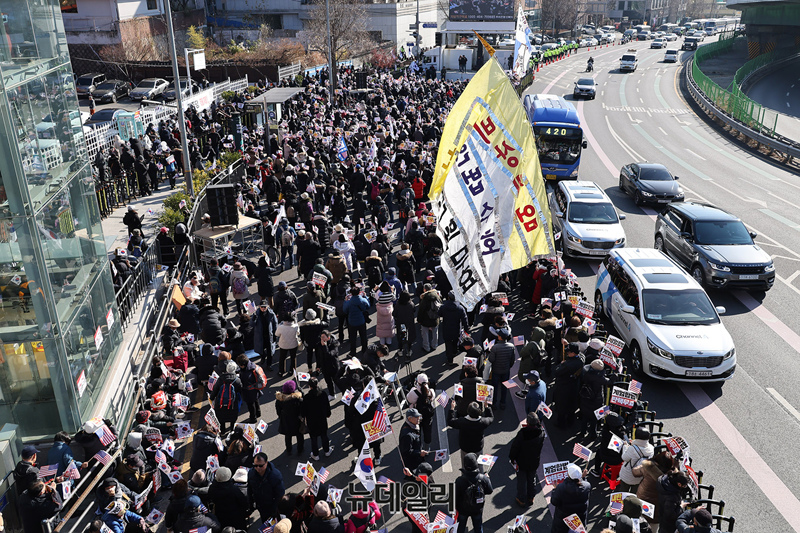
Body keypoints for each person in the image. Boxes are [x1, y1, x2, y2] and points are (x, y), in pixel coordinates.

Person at [509, 412, 545, 507]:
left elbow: (515, 447)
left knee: (521, 480)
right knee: (532, 479)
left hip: (522, 461)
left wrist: (512, 457)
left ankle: (521, 498)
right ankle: (531, 496)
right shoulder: (541, 433)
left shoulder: (522, 433)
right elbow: (540, 428)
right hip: (534, 461)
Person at [454, 453, 493, 533]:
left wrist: (456, 508)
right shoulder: (483, 478)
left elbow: (455, 497)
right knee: (478, 528)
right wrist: (487, 479)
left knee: (460, 528)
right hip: (477, 509)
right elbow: (490, 490)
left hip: (462, 510)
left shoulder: (459, 480)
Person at [579, 359, 615, 441]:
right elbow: (609, 382)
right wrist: (613, 378)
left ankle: (582, 432)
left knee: (584, 417)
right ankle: (593, 434)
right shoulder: (600, 378)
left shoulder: (586, 373)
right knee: (594, 419)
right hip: (596, 401)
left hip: (585, 399)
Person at [551, 464, 591, 533]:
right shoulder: (587, 486)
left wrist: (555, 489)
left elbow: (554, 502)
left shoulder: (561, 487)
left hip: (563, 520)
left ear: (569, 475)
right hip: (578, 520)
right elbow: (581, 485)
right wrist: (583, 478)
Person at [302, 377, 334, 460]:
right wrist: (328, 414)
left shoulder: (307, 397)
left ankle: (315, 454)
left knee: (313, 438)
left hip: (311, 421)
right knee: (324, 435)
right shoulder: (323, 394)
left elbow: (304, 411)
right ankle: (327, 451)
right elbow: (327, 406)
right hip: (322, 419)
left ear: (310, 386)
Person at [553, 342, 584, 427]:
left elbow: (557, 372)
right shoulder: (581, 359)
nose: (567, 353)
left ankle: (561, 424)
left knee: (562, 406)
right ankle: (571, 422)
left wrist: (561, 364)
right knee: (572, 406)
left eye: (569, 352)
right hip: (575, 385)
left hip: (564, 386)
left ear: (573, 353)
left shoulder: (567, 365)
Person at [248, 452, 285, 523]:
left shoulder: (275, 475)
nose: (258, 468)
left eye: (261, 465)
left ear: (266, 463)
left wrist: (275, 509)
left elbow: (280, 494)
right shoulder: (251, 473)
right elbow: (250, 489)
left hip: (272, 506)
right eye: (255, 465)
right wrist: (251, 503)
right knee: (264, 522)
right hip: (260, 505)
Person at [209, 360, 243, 434]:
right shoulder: (237, 380)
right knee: (233, 417)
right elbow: (240, 391)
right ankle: (232, 430)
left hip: (220, 403)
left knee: (221, 418)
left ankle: (223, 431)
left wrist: (211, 398)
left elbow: (215, 390)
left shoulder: (220, 379)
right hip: (233, 404)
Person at [618, 428, 654, 493]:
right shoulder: (651, 448)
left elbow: (624, 458)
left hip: (627, 475)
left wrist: (625, 446)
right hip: (640, 476)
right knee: (634, 493)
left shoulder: (632, 449)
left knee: (623, 491)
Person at [487, 328, 515, 409]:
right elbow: (512, 360)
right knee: (504, 387)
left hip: (496, 370)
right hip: (506, 370)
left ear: (499, 337)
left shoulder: (495, 347)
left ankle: (494, 403)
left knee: (494, 387)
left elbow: (491, 360)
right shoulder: (511, 346)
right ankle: (503, 403)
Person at [439, 291, 468, 364]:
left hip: (446, 327)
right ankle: (454, 352)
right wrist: (466, 329)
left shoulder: (443, 306)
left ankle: (449, 359)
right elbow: (464, 318)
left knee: (448, 343)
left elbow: (439, 314)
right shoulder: (460, 307)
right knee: (455, 341)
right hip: (456, 327)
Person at [276, 380, 305, 456]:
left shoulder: (280, 400)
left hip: (286, 421)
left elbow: (278, 411)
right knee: (299, 435)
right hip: (297, 421)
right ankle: (300, 449)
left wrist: (281, 417)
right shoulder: (298, 399)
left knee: (288, 436)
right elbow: (303, 408)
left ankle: (289, 449)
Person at [406, 374, 436, 445]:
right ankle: (427, 448)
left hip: (417, 415)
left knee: (417, 431)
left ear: (417, 382)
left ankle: (419, 446)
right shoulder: (431, 392)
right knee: (427, 431)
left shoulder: (413, 393)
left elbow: (409, 399)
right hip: (428, 415)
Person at [398, 408, 428, 474]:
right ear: (409, 418)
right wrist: (419, 453)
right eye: (416, 417)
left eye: (418, 417)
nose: (419, 419)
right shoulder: (407, 435)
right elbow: (406, 452)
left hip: (417, 457)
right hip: (412, 462)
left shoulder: (413, 425)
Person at [236, 353, 264, 423]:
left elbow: (242, 383)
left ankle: (253, 418)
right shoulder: (252, 365)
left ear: (242, 365)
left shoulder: (246, 374)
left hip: (249, 392)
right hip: (255, 389)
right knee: (256, 401)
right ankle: (258, 413)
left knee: (251, 406)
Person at [342, 287, 370, 355]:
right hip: (361, 321)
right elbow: (368, 306)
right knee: (363, 336)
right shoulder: (363, 300)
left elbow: (345, 310)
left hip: (352, 322)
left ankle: (353, 351)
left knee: (353, 338)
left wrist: (345, 301)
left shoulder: (349, 302)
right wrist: (366, 296)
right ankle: (364, 349)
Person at [253, 301, 278, 370]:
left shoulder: (271, 314)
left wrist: (275, 335)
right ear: (259, 307)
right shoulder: (256, 314)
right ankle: (263, 358)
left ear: (267, 307)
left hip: (269, 336)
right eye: (262, 307)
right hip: (260, 335)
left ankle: (269, 364)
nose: (263, 308)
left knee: (270, 351)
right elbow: (251, 324)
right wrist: (254, 318)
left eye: (265, 307)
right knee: (261, 349)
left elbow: (275, 324)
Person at [417, 284, 441, 352]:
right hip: (435, 318)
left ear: (425, 289)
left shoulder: (424, 298)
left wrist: (419, 320)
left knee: (425, 333)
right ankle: (435, 345)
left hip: (426, 319)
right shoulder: (437, 296)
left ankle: (426, 347)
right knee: (435, 332)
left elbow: (421, 310)